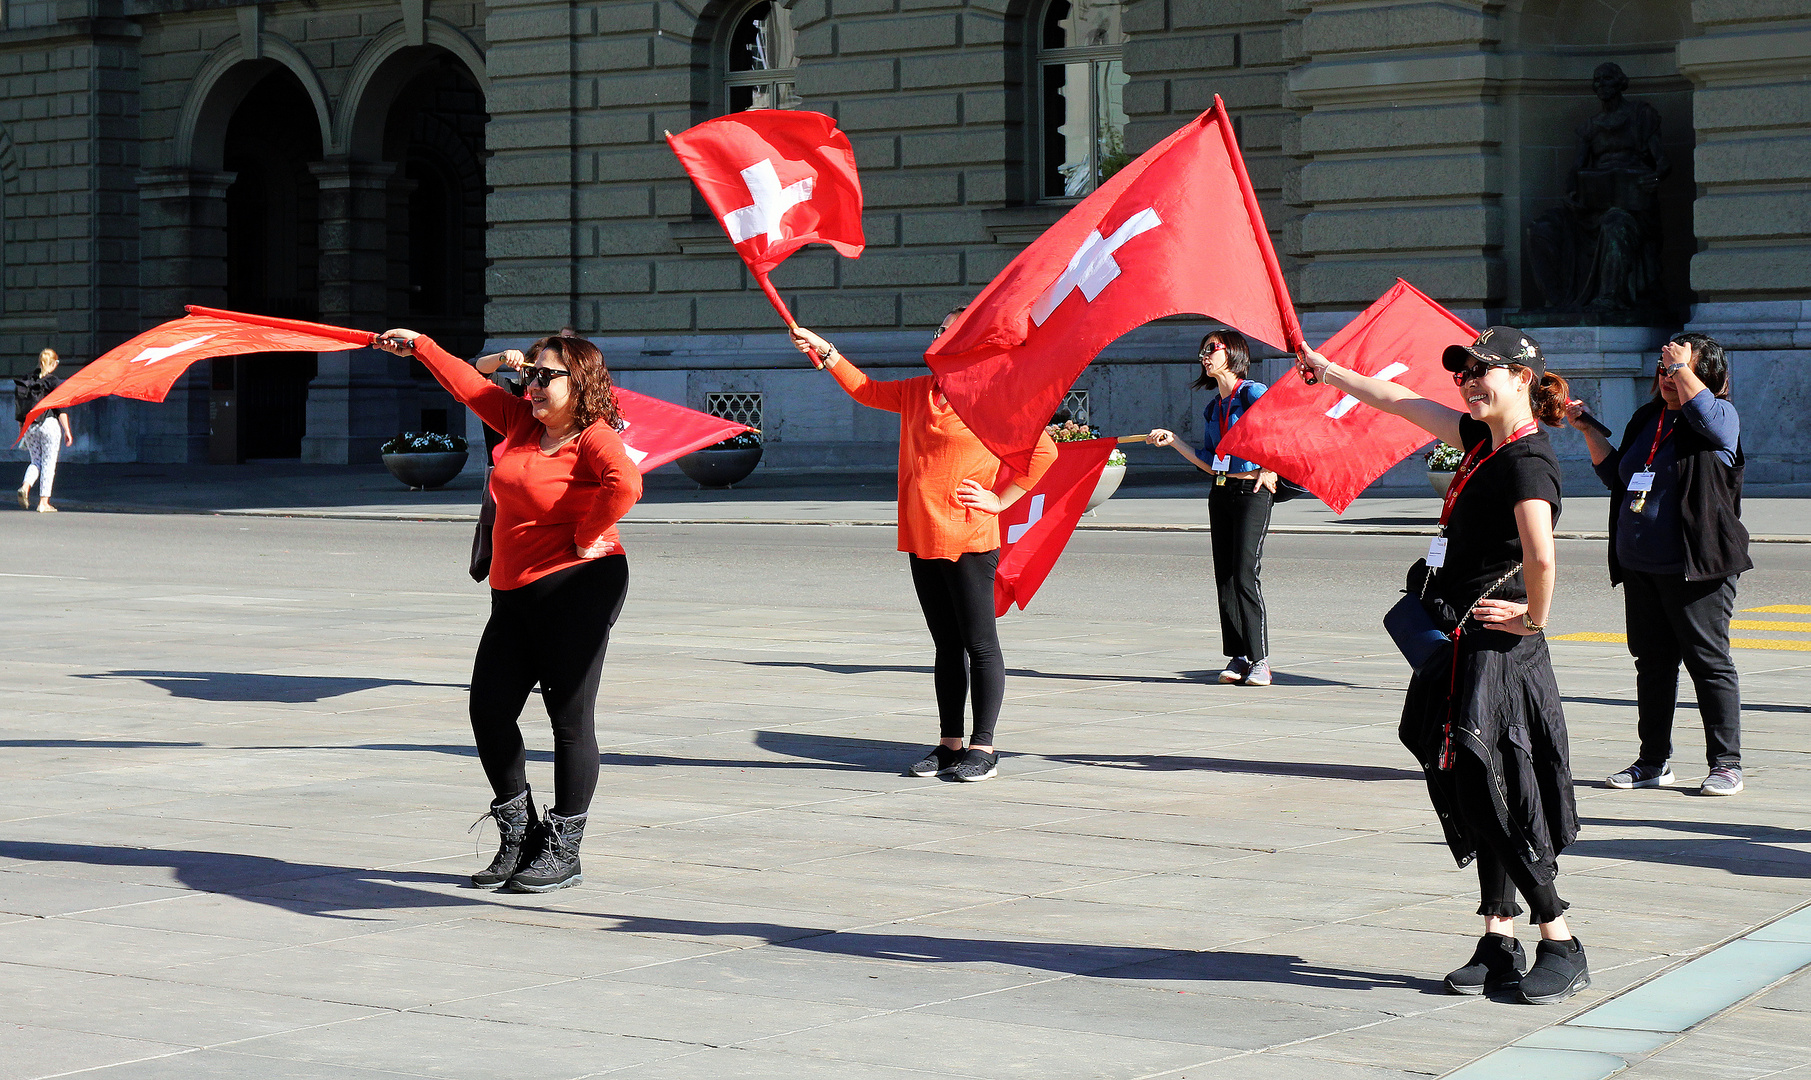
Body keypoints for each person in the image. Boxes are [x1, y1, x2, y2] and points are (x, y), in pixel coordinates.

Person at [1296, 325, 1591, 1006]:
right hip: (1459, 640)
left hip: (1497, 647)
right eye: (1462, 372)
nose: (1467, 382)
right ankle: (1497, 937)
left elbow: (1542, 555)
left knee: (1491, 785)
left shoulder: (1525, 459)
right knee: (1462, 779)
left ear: (1521, 378)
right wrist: (1327, 370)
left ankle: (1559, 938)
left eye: (1482, 370)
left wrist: (1533, 618)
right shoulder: (1484, 441)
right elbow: (1399, 400)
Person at [375, 328, 642, 892]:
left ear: (582, 384)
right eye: (531, 374)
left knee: (568, 719)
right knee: (489, 711)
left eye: (548, 377)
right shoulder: (519, 422)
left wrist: (587, 533)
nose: (534, 385)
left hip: (580, 585)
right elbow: (469, 383)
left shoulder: (593, 438)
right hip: (513, 590)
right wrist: (423, 344)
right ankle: (521, 835)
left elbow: (626, 485)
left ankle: (565, 850)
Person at [789, 311, 1057, 782]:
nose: (938, 338)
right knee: (945, 645)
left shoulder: (990, 399)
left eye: (949, 333)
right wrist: (825, 350)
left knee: (979, 644)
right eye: (937, 331)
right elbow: (867, 390)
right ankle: (949, 744)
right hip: (922, 535)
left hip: (969, 537)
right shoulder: (918, 391)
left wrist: (999, 499)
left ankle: (984, 747)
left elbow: (1045, 451)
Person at [1566, 332, 1749, 796]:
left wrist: (1681, 366)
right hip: (1640, 565)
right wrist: (1588, 429)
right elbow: (1619, 477)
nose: (1667, 377)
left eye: (1678, 368)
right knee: (1652, 664)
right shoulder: (1647, 418)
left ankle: (1725, 763)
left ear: (1704, 374)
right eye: (1663, 368)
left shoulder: (1718, 417)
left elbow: (1709, 419)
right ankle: (1653, 762)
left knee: (1708, 662)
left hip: (1695, 565)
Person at [1145, 330, 1279, 686]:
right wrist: (1174, 441)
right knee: (1226, 577)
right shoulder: (1212, 406)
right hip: (1220, 491)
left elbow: (1277, 429)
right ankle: (1238, 657)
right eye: (1202, 350)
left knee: (1245, 572)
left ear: (1232, 353)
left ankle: (1261, 660)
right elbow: (1209, 459)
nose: (1204, 356)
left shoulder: (1251, 392)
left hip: (1252, 490)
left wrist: (1269, 467)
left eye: (1211, 349)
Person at [15, 348, 74, 513]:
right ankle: (43, 502)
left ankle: (25, 487)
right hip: (49, 425)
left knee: (36, 461)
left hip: (30, 426)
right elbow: (60, 410)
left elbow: (21, 407)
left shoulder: (28, 380)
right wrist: (67, 431)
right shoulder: (53, 382)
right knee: (48, 464)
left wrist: (21, 428)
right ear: (54, 364)